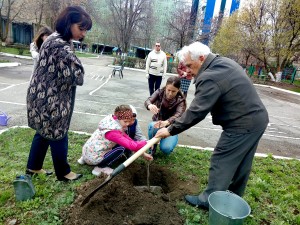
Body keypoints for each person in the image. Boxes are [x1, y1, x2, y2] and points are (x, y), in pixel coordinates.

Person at [155, 42, 269, 210]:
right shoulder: (222, 62)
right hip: (257, 119)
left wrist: (171, 129)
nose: (187, 71)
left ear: (201, 58)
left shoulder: (209, 76)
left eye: (189, 65)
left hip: (241, 124)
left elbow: (197, 111)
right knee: (242, 162)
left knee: (222, 159)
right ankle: (233, 198)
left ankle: (208, 201)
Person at [26, 6, 93, 181]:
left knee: (43, 132)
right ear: (68, 23)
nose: (83, 33)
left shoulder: (55, 38)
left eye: (85, 29)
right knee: (58, 133)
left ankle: (33, 167)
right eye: (81, 28)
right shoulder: (60, 45)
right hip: (50, 99)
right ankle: (63, 173)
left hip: (40, 95)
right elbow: (77, 76)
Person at [78, 105, 153, 176]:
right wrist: (147, 142)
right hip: (93, 158)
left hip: (86, 152)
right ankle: (100, 168)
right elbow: (131, 145)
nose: (127, 124)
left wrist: (143, 153)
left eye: (129, 121)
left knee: (117, 143)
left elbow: (128, 139)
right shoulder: (113, 131)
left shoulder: (110, 122)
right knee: (121, 148)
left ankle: (84, 159)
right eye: (125, 121)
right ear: (119, 118)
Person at [144, 76, 186, 155]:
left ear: (178, 90)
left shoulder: (181, 100)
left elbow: (178, 115)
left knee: (166, 149)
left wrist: (167, 122)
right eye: (168, 90)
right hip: (157, 123)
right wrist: (150, 105)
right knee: (152, 125)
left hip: (171, 128)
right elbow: (148, 101)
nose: (170, 93)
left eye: (173, 91)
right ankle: (152, 147)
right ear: (166, 87)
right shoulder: (159, 92)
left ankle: (171, 140)